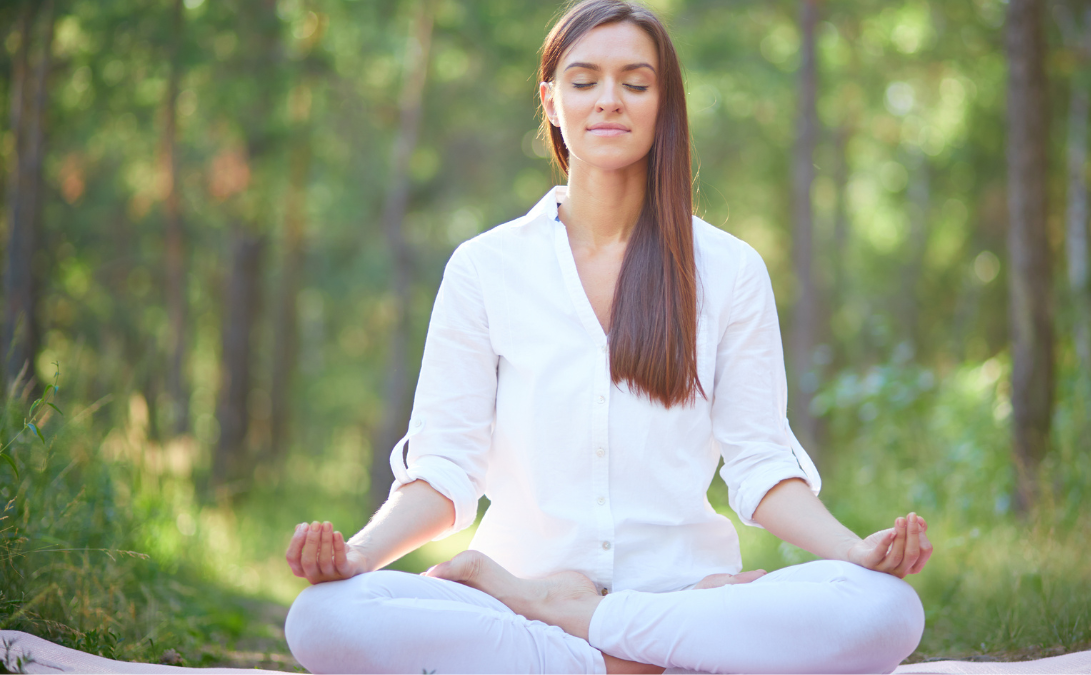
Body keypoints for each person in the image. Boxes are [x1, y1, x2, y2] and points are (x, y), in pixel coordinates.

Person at [283, 1, 932, 673]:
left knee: (884, 609)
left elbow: (761, 464)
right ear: (552, 101)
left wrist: (855, 552)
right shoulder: (487, 268)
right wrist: (358, 555)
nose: (609, 100)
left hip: (680, 596)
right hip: (513, 594)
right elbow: (445, 469)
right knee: (325, 619)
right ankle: (646, 659)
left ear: (664, 103)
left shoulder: (729, 269)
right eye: (584, 79)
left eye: (636, 82)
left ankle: (580, 625)